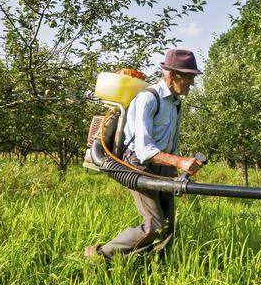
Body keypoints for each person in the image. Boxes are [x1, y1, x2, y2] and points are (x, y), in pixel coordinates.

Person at [85, 49, 204, 261]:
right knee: (154, 225)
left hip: (164, 165)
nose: (192, 83)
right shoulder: (148, 99)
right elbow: (144, 149)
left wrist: (180, 170)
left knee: (167, 227)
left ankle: (150, 266)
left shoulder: (176, 104)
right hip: (139, 166)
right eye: (189, 77)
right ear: (172, 75)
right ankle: (99, 256)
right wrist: (180, 161)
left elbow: (171, 144)